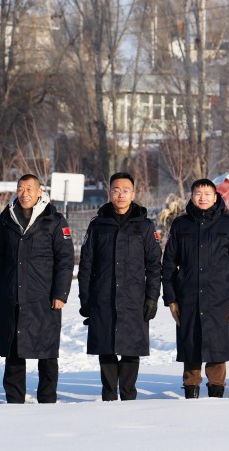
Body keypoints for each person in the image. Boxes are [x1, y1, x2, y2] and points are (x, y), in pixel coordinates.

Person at [0, 174, 75, 404]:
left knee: (46, 351)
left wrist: (60, 293)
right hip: (13, 296)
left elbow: (65, 259)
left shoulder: (54, 220)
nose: (25, 193)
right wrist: (6, 281)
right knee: (14, 350)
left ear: (40, 192)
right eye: (20, 188)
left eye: (30, 189)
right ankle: (14, 399)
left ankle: (47, 399)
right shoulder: (6, 218)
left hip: (44, 298)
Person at [78, 172, 162, 401]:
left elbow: (154, 265)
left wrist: (152, 297)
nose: (121, 194)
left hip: (134, 298)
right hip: (102, 297)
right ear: (110, 193)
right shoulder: (97, 226)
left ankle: (128, 395)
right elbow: (86, 264)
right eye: (116, 190)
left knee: (130, 348)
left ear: (133, 194)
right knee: (105, 347)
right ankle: (108, 394)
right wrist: (85, 300)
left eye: (126, 190)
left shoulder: (144, 226)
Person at [161, 178, 229, 399]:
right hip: (188, 298)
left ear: (216, 197)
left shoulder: (228, 225)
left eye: (207, 194)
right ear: (191, 196)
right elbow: (169, 264)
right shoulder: (180, 225)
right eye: (198, 193)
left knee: (217, 349)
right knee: (191, 347)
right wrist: (171, 299)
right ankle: (191, 390)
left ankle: (217, 392)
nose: (202, 197)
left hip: (220, 299)